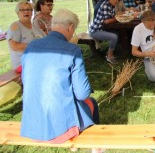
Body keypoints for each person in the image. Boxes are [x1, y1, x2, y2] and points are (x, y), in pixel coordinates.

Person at [20, 9, 99, 146]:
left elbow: (26, 79)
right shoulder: (72, 50)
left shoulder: (31, 46)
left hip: (31, 122)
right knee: (92, 103)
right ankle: (96, 146)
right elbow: (82, 93)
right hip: (59, 127)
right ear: (70, 27)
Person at [7, 1, 45, 70]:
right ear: (18, 13)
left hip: (37, 60)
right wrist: (36, 46)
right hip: (23, 63)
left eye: (28, 9)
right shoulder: (15, 26)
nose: (26, 12)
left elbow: (46, 41)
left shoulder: (36, 26)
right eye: (22, 10)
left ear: (32, 12)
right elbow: (14, 46)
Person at [89, 0, 119, 64]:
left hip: (102, 29)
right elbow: (106, 21)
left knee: (118, 33)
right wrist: (117, 18)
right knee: (114, 36)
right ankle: (110, 55)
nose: (117, 1)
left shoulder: (110, 5)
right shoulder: (105, 5)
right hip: (95, 31)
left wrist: (116, 17)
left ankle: (110, 52)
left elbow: (111, 18)